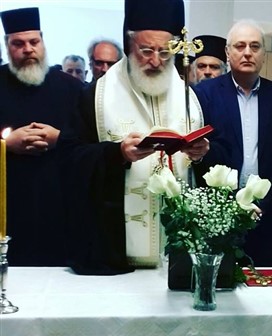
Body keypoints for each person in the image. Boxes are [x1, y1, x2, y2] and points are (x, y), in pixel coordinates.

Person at [61, 0, 207, 275]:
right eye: (146, 50)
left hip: (177, 256)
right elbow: (69, 159)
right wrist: (116, 153)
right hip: (116, 252)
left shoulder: (189, 96)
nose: (156, 61)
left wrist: (200, 154)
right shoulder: (95, 96)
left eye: (165, 52)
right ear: (129, 45)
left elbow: (204, 173)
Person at [194, 19, 272, 266]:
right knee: (219, 278)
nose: (248, 52)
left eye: (255, 46)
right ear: (227, 52)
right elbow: (201, 152)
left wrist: (264, 202)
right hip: (218, 212)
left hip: (266, 213)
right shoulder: (205, 93)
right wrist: (230, 204)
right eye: (240, 46)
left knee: (262, 279)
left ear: (264, 54)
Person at [0, 7, 83, 266]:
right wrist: (6, 144)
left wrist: (58, 138)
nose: (28, 49)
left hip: (59, 204)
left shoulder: (72, 87)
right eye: (18, 44)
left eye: (33, 42)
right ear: (7, 45)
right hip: (8, 205)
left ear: (43, 41)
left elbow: (89, 142)